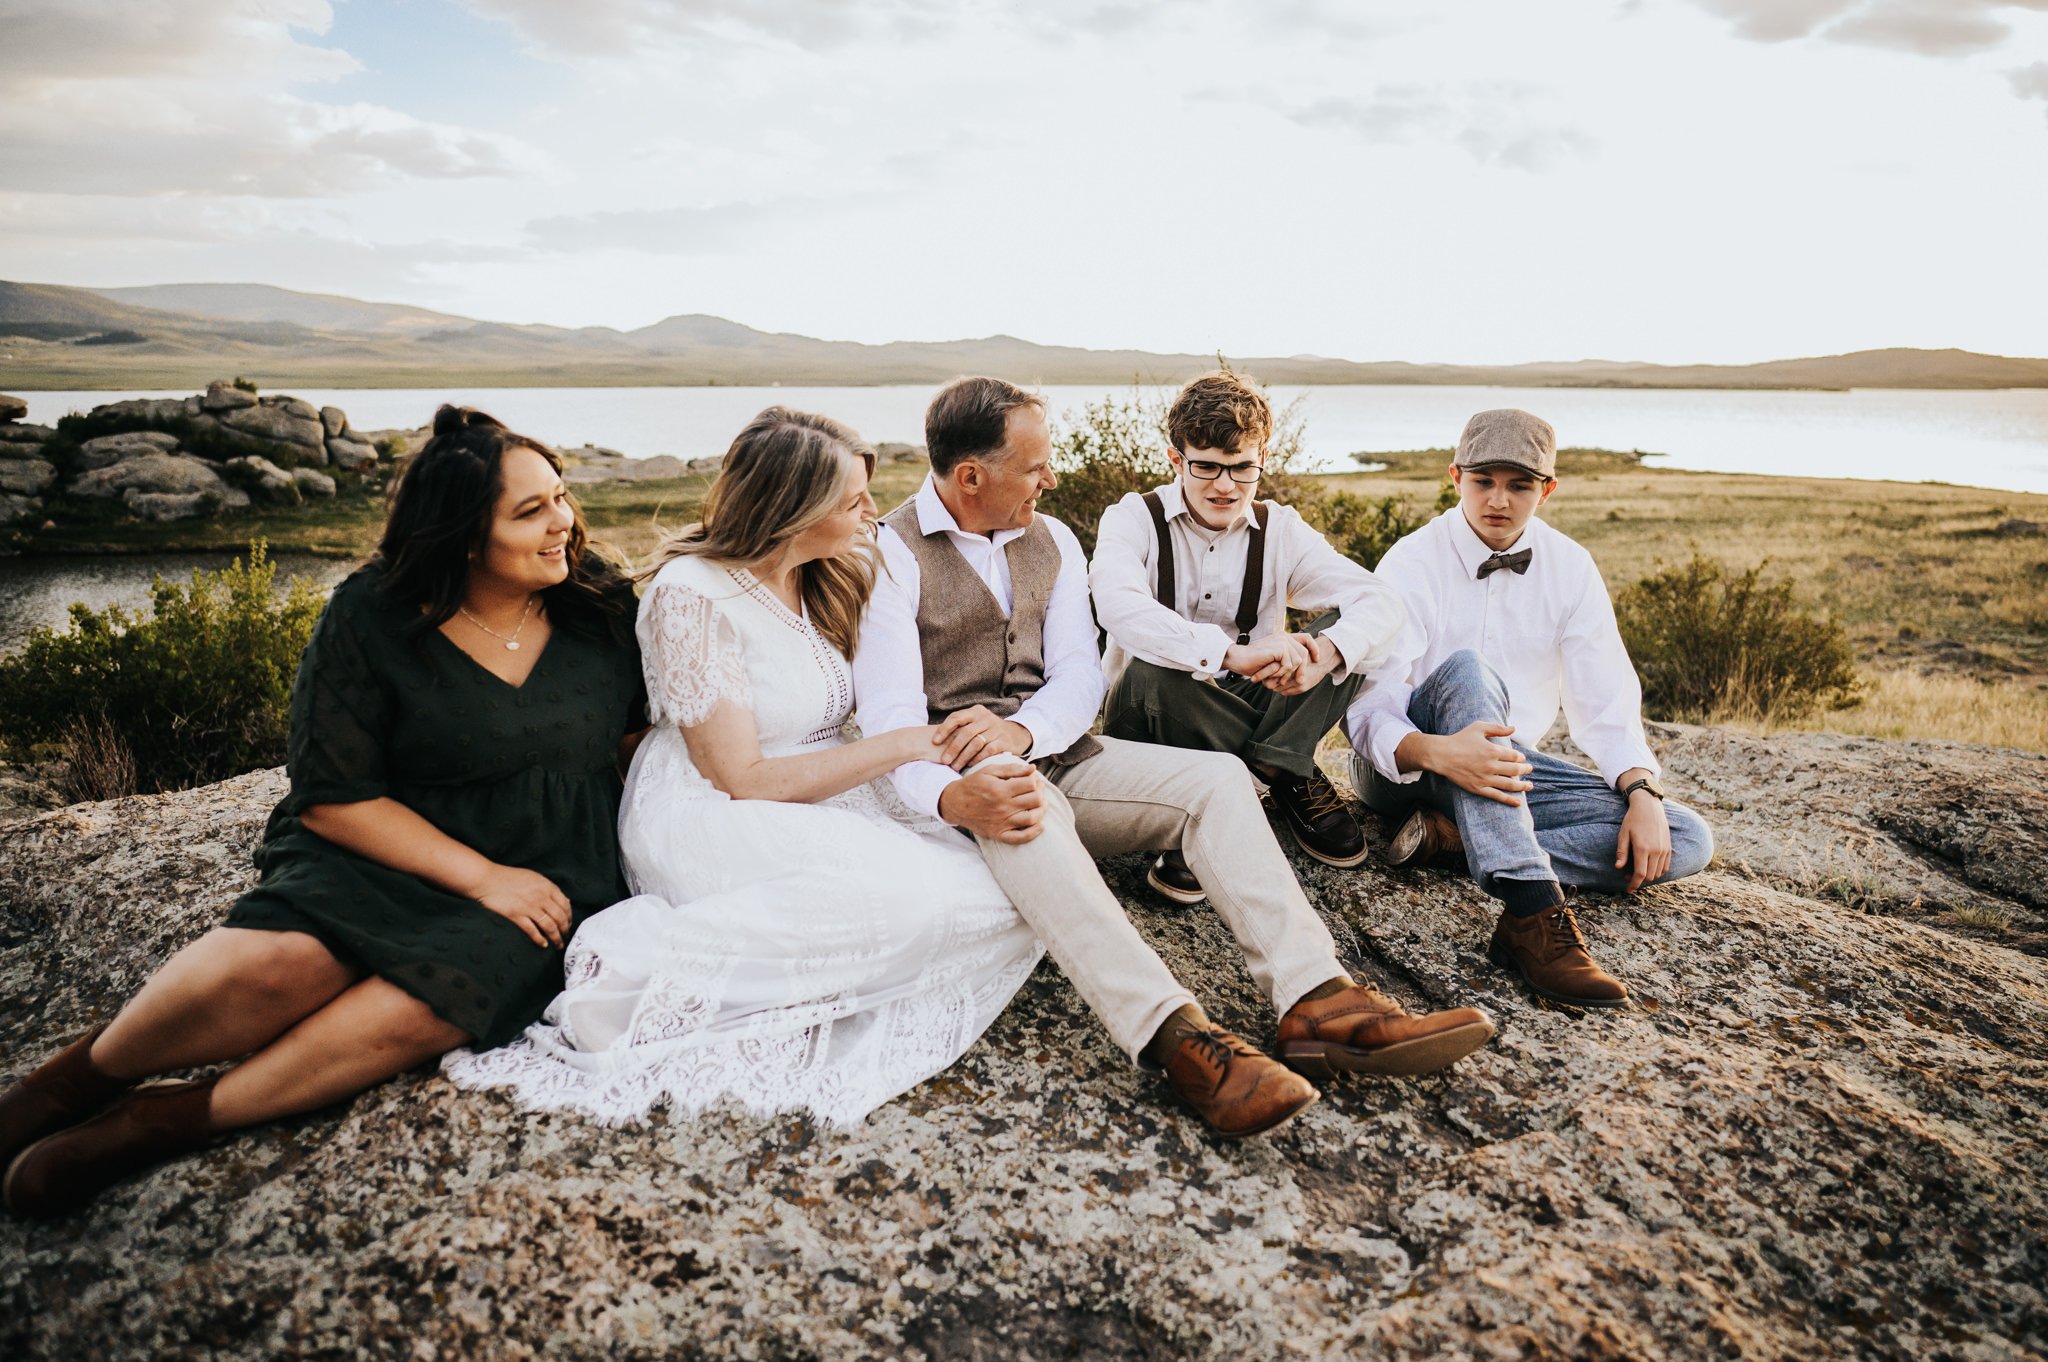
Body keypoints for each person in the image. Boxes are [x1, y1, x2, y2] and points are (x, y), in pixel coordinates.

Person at [0, 407, 647, 1218]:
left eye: (561, 496)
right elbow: (334, 797)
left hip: (549, 862)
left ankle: (176, 1116)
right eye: (531, 510)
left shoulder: (600, 605)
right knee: (279, 964)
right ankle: (77, 1080)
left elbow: (638, 743)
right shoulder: (370, 616)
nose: (564, 523)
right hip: (385, 845)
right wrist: (480, 877)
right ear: (460, 535)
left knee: (430, 998)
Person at [853, 375, 1495, 1141]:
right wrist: (947, 796)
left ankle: (1319, 999)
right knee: (1020, 802)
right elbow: (889, 718)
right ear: (970, 477)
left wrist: (1026, 734)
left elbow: (1078, 677)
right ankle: (1179, 1037)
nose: (1051, 479)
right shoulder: (888, 555)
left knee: (1220, 780)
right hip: (963, 776)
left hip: (1057, 750)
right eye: (1035, 467)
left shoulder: (1052, 538)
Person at [442, 408, 1044, 1127]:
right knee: (914, 906)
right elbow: (742, 778)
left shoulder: (822, 576)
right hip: (716, 809)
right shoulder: (691, 594)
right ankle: (643, 980)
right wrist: (914, 743)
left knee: (995, 898)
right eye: (852, 501)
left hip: (821, 787)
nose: (870, 515)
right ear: (795, 508)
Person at [1346, 408, 1715, 1009]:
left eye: (1519, 484)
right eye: (1483, 480)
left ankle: (1464, 842)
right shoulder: (1411, 562)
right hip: (1405, 766)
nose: (1499, 499)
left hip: (1503, 771)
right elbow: (1367, 708)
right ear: (1454, 477)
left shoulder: (1570, 568)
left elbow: (1605, 704)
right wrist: (1440, 752)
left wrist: (1642, 791)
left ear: (1547, 490)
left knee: (1683, 835)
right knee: (1467, 669)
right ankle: (1532, 913)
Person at [1092, 370, 1407, 902]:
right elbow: (1117, 606)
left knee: (1347, 636)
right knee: (1150, 672)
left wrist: (1325, 653)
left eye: (1243, 469)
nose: (1224, 486)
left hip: (1255, 706)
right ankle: (1275, 769)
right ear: (1176, 460)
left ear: (1262, 459)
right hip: (1158, 717)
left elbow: (1383, 602)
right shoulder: (1132, 519)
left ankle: (1272, 763)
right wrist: (1231, 655)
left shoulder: (1280, 528)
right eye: (1207, 467)